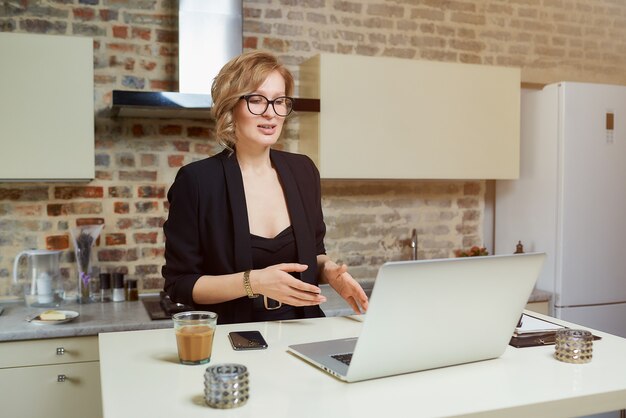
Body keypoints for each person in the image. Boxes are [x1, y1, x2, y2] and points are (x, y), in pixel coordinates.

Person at [162, 50, 368, 324]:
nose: (271, 114)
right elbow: (180, 284)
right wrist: (254, 282)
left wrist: (329, 271)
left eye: (279, 102)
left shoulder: (303, 171)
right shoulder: (197, 181)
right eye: (257, 100)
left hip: (305, 326)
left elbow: (314, 254)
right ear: (231, 106)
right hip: (235, 336)